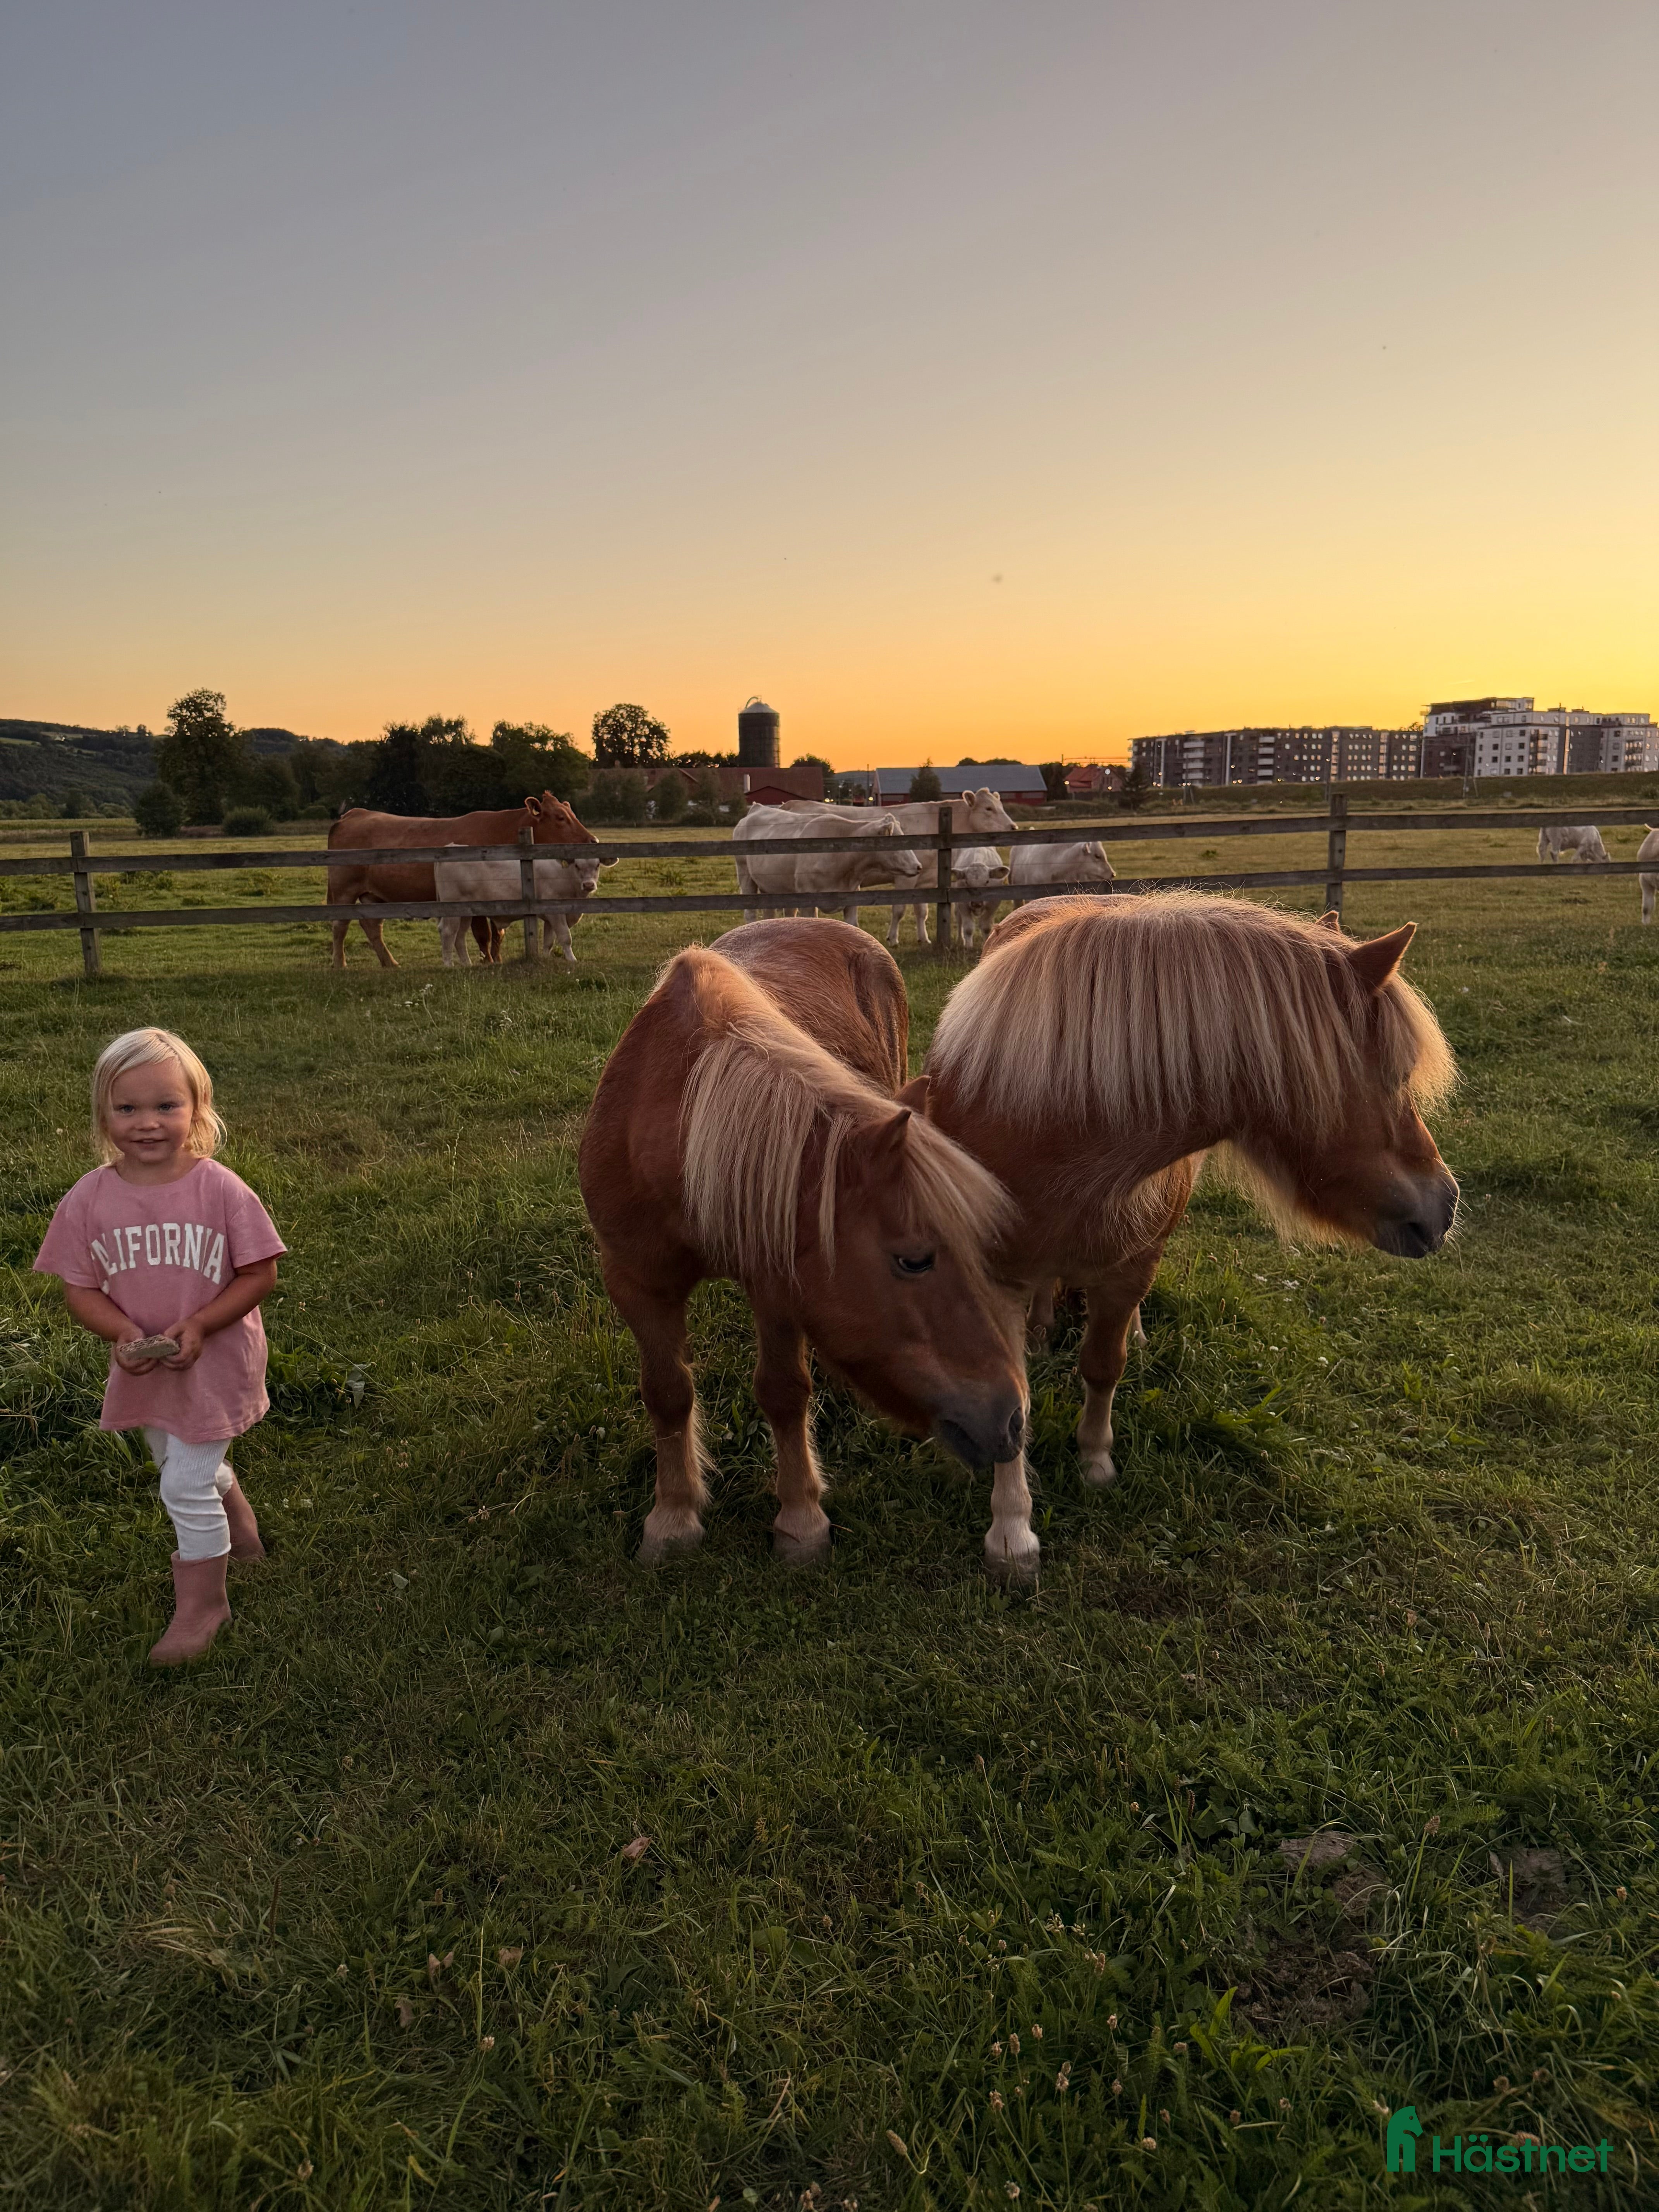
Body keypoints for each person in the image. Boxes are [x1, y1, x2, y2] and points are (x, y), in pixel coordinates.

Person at [34, 1027, 285, 1665]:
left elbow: (261, 1273)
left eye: (167, 1106)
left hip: (217, 1360)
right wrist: (120, 1333)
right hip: (147, 1367)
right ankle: (244, 1535)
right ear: (103, 1114)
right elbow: (81, 1289)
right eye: (128, 1108)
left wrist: (201, 1325)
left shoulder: (221, 1189)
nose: (147, 1123)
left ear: (198, 1111)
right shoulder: (89, 1199)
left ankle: (205, 1606)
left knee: (183, 1484)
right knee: (175, 1456)